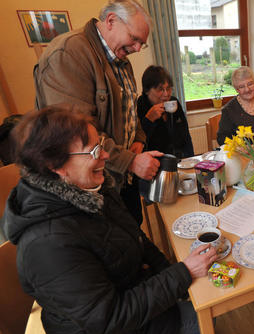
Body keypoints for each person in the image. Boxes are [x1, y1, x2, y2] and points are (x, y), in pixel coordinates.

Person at [3, 105, 218, 334]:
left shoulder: (92, 189)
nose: (105, 155)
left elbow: (137, 239)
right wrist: (182, 274)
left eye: (102, 146)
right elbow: (109, 319)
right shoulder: (47, 244)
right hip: (117, 327)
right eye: (94, 151)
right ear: (56, 166)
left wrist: (179, 277)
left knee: (206, 308)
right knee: (207, 323)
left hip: (137, 303)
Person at [33, 0, 161, 223]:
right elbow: (76, 135)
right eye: (135, 39)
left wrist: (139, 138)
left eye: (143, 43)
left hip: (120, 174)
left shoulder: (120, 59)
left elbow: (130, 107)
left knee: (132, 233)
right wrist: (129, 161)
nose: (138, 48)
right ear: (111, 21)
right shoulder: (68, 54)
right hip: (91, 184)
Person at [137, 65, 194, 159]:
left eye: (168, 88)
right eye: (160, 89)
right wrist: (148, 120)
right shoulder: (139, 106)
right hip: (154, 165)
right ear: (147, 90)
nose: (166, 94)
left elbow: (186, 137)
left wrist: (190, 160)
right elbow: (140, 144)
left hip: (179, 161)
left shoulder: (174, 103)